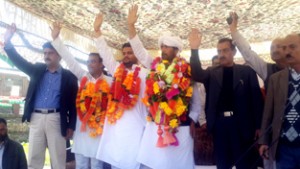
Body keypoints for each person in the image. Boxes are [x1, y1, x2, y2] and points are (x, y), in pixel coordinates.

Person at [127, 5, 201, 169]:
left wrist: (193, 121)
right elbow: (139, 52)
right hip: (156, 126)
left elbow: (196, 103)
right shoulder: (155, 66)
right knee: (153, 164)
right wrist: (131, 28)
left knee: (179, 165)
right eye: (162, 46)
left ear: (177, 50)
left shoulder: (187, 71)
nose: (163, 49)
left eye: (167, 46)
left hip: (180, 128)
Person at [3, 23, 78, 169]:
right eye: (45, 53)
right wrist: (8, 42)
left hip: (56, 119)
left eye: (50, 53)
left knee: (58, 159)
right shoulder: (37, 69)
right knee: (34, 158)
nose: (46, 56)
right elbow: (20, 62)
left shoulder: (69, 77)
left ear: (59, 55)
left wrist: (71, 125)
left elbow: (73, 105)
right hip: (36, 118)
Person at [189, 28, 263, 169]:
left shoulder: (246, 72)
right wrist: (194, 50)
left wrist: (258, 125)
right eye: (219, 51)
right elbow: (197, 74)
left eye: (225, 50)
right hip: (220, 125)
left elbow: (256, 100)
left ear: (233, 52)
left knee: (244, 163)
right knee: (223, 164)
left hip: (242, 125)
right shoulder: (212, 72)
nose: (221, 54)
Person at [51, 22, 112, 169]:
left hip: (100, 129)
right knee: (81, 164)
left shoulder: (110, 82)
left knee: (97, 164)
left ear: (102, 65)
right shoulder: (83, 77)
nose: (89, 64)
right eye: (88, 62)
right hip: (83, 128)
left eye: (93, 62)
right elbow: (69, 60)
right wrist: (56, 40)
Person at [93, 13, 148, 169]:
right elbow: (106, 54)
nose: (126, 56)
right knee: (117, 159)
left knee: (135, 159)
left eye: (130, 53)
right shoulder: (117, 70)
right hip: (118, 124)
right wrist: (97, 32)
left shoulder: (146, 73)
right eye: (124, 53)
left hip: (138, 122)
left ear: (137, 54)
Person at [259, 33, 300, 169]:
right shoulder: (275, 79)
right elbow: (268, 113)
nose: (287, 52)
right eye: (285, 48)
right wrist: (264, 141)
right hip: (284, 147)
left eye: (292, 47)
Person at [229, 12, 287, 88]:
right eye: (272, 48)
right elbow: (248, 53)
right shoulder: (267, 70)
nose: (274, 50)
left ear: (287, 49)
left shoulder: (296, 69)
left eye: (278, 46)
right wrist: (233, 30)